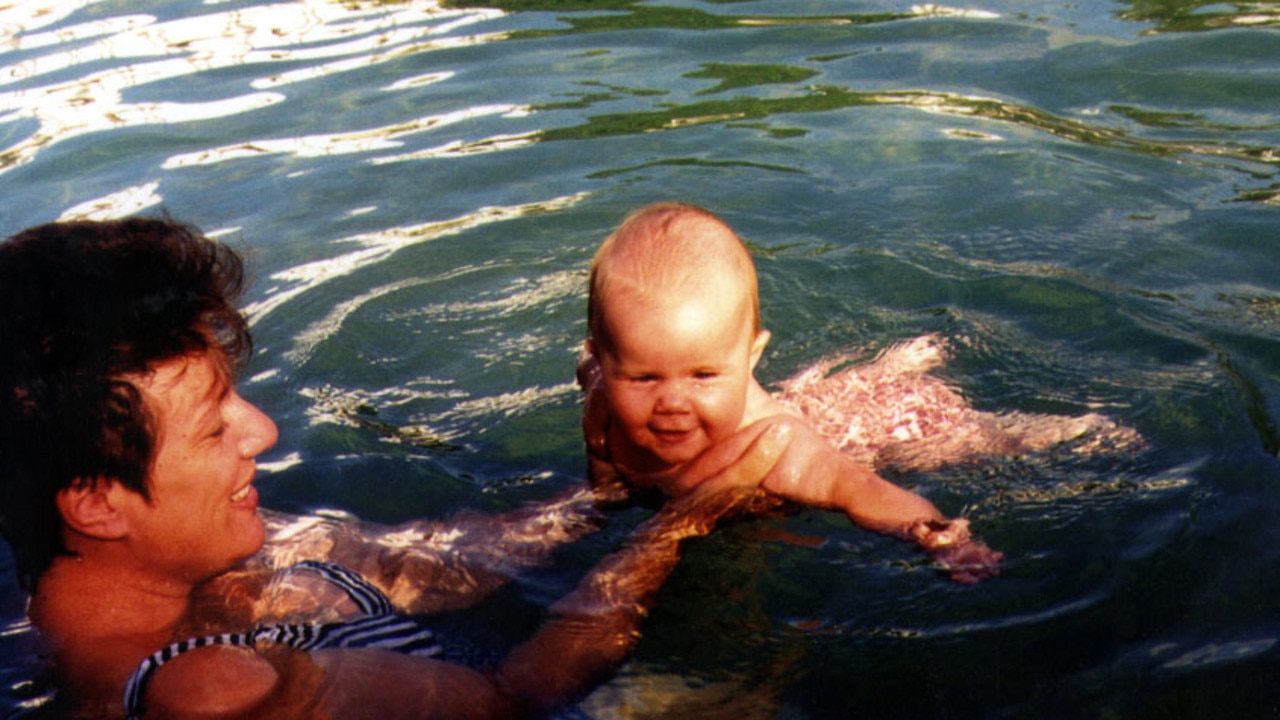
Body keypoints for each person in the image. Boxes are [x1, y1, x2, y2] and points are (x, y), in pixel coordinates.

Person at [0, 216, 790, 720]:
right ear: (97, 504)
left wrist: (606, 495)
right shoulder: (210, 693)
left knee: (828, 415)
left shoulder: (181, 553)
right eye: (213, 429)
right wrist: (686, 522)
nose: (263, 431)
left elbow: (442, 564)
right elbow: (516, 700)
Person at [577, 202, 1005, 584]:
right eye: (644, 378)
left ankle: (1060, 430)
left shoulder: (777, 447)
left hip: (870, 434)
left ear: (751, 357)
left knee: (976, 440)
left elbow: (858, 487)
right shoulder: (599, 389)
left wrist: (938, 536)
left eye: (704, 375)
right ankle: (896, 363)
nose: (672, 402)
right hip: (802, 408)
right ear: (602, 360)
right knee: (821, 397)